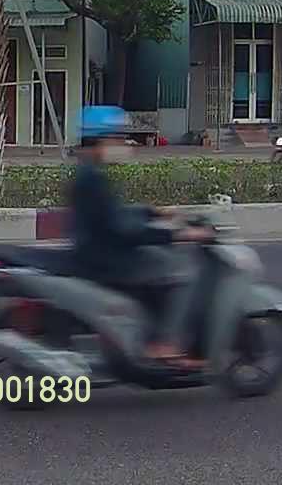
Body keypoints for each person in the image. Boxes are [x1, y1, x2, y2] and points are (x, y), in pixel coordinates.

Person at [69, 106, 214, 368]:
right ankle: (165, 344)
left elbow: (112, 215)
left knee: (162, 260)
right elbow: (121, 229)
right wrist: (176, 235)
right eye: (118, 138)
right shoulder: (92, 178)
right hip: (105, 257)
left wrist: (152, 212)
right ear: (102, 140)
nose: (124, 144)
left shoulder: (90, 172)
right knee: (182, 271)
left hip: (98, 250)